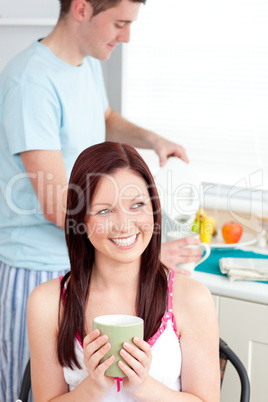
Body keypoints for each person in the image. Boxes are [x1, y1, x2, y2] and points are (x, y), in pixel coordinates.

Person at [0, 1, 202, 400]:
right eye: (120, 23)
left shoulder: (86, 62)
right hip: (38, 267)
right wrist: (142, 252)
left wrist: (152, 140)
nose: (126, 37)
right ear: (81, 10)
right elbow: (60, 205)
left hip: (95, 259)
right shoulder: (31, 84)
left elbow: (104, 116)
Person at [27, 142, 220, 401]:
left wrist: (142, 386)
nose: (124, 225)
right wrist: (93, 386)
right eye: (105, 210)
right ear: (80, 221)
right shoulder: (47, 303)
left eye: (137, 205)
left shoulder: (192, 298)